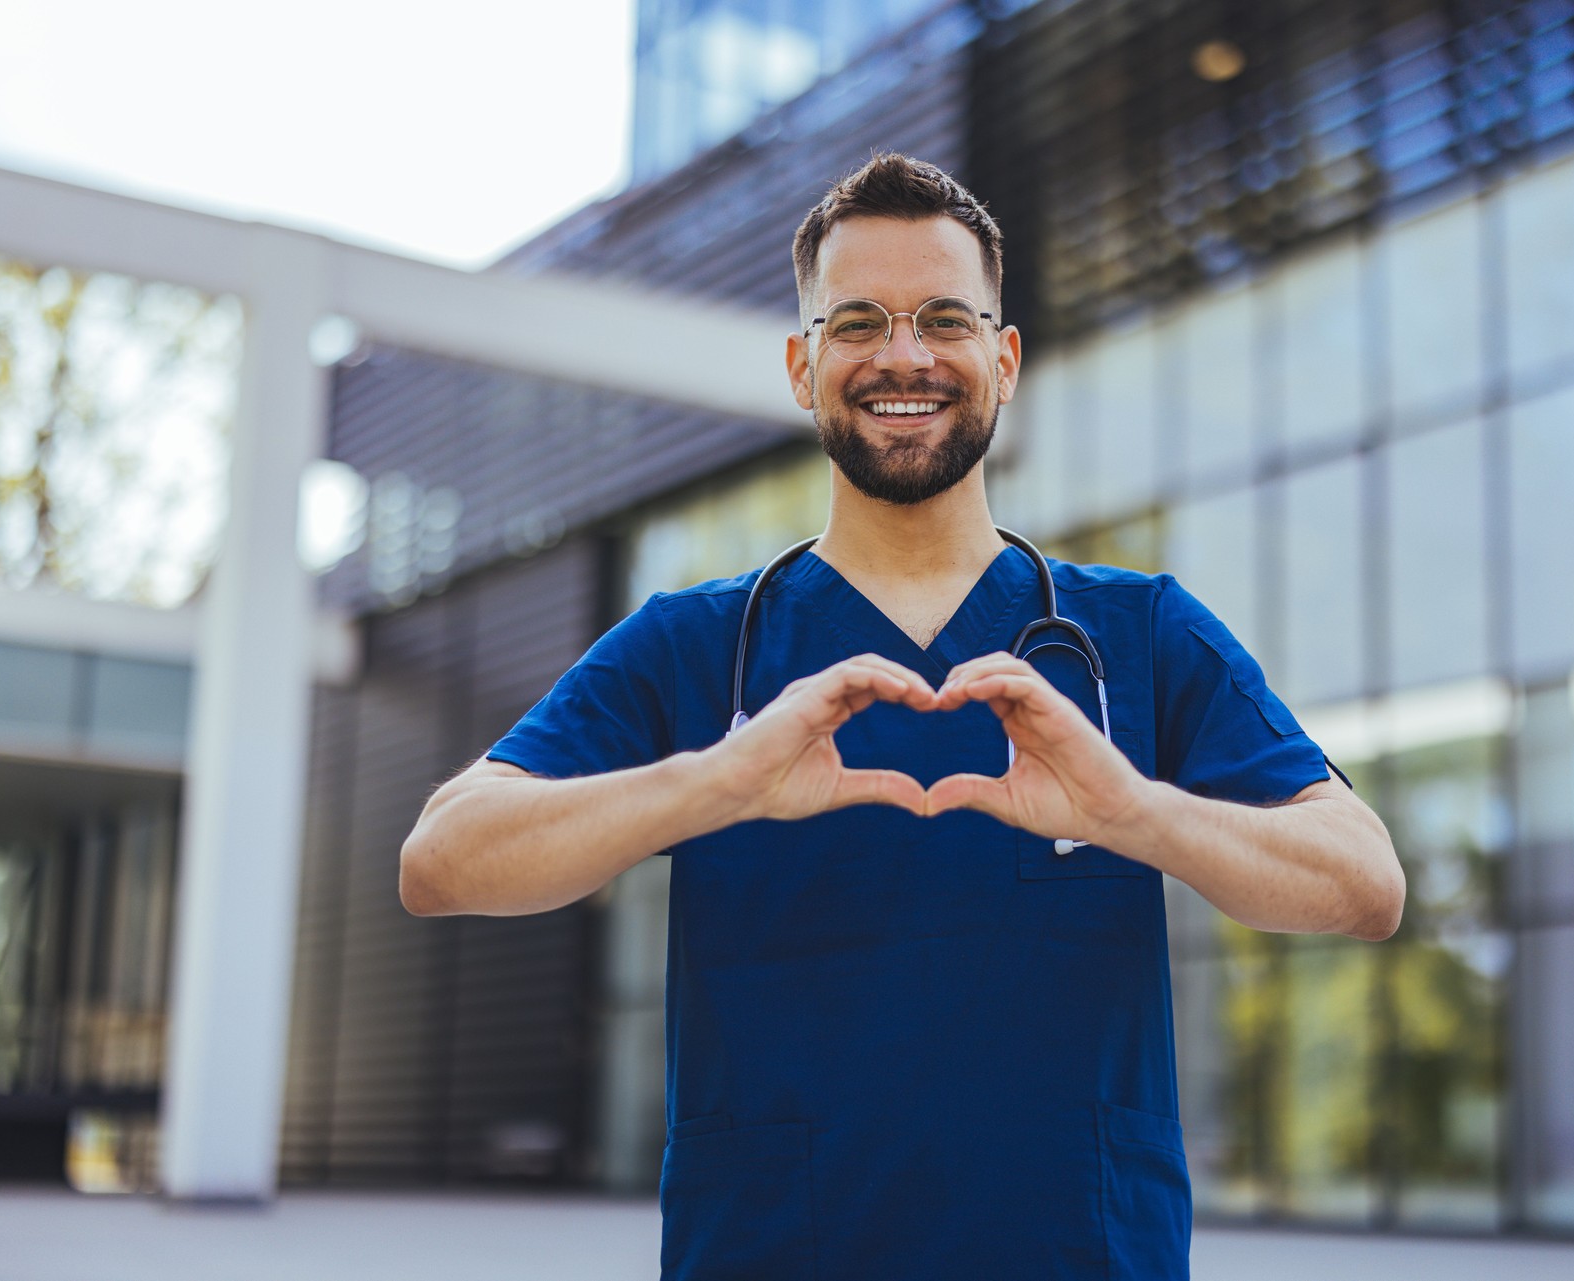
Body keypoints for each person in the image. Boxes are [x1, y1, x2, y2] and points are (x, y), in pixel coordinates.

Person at [399, 153, 1403, 1281]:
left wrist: (1137, 813)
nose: (904, 356)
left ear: (1005, 358)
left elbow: (1363, 883)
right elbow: (444, 859)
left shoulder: (1142, 635)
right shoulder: (695, 648)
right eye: (858, 322)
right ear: (802, 363)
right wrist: (712, 786)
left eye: (944, 319)